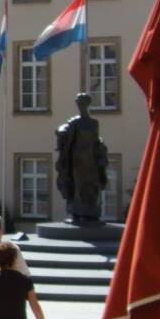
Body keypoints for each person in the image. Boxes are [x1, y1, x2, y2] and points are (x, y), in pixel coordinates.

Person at [55, 91, 109, 224]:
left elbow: (96, 141)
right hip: (78, 159)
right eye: (79, 103)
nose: (80, 105)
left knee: (92, 185)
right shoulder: (76, 122)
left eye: (82, 103)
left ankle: (91, 212)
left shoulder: (92, 123)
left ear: (86, 104)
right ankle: (79, 213)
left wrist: (101, 152)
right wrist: (64, 159)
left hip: (89, 158)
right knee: (79, 185)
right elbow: (68, 142)